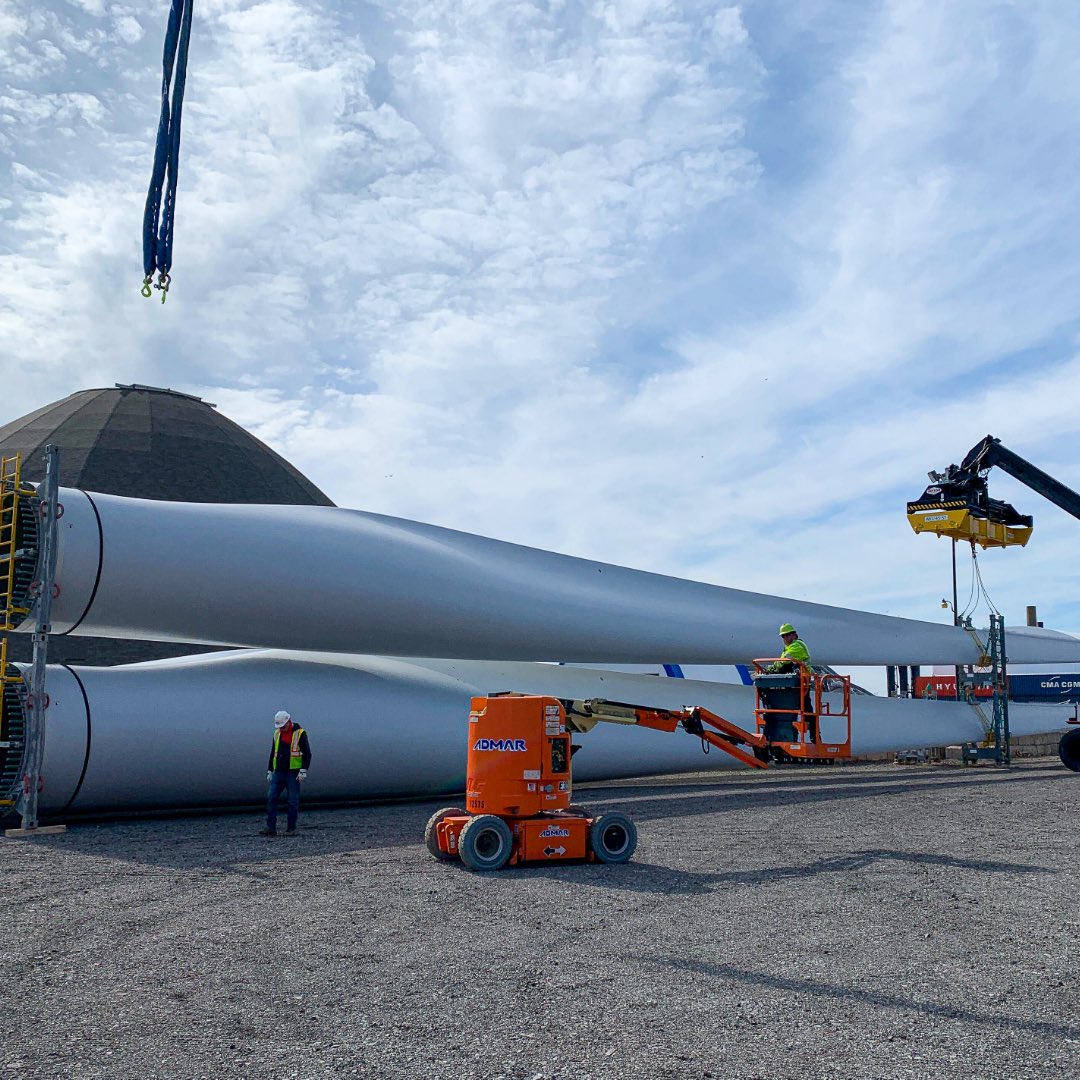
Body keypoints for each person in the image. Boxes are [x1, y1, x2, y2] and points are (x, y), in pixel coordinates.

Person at [259, 710, 311, 837]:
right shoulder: (277, 733)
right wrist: (270, 770)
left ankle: (291, 829)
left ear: (289, 722)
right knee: (272, 798)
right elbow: (273, 753)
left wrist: (303, 770)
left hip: (293, 773)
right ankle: (270, 827)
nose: (281, 729)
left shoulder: (300, 733)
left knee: (292, 801)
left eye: (283, 726)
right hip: (279, 772)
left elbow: (307, 753)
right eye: (279, 727)